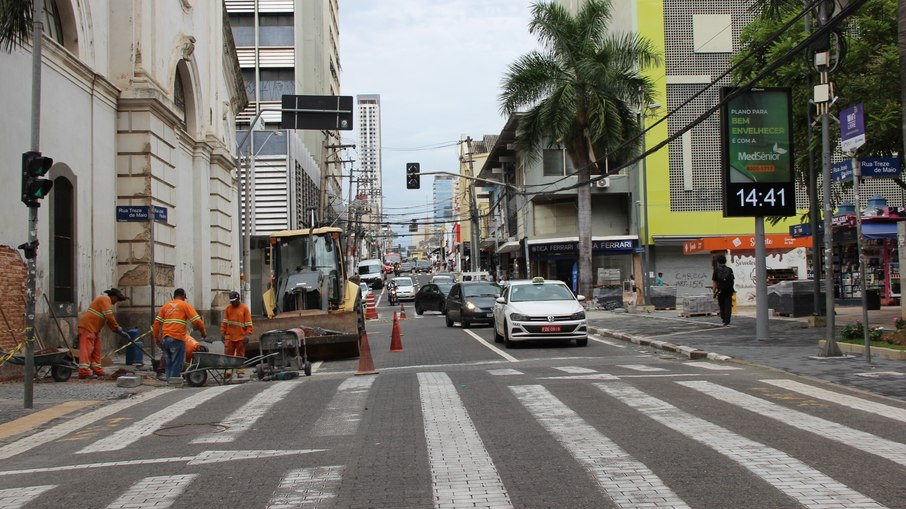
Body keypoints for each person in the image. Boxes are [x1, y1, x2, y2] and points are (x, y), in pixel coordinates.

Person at [76, 288, 131, 379]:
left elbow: (109, 321)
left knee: (96, 350)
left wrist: (117, 330)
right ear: (113, 296)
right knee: (87, 350)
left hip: (95, 329)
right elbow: (109, 316)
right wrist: (117, 328)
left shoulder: (106, 302)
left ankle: (97, 369)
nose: (115, 302)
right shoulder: (105, 299)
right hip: (87, 327)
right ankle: (83, 372)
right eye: (116, 300)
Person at [153, 288, 207, 381]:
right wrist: (203, 333)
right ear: (182, 296)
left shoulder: (166, 306)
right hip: (178, 338)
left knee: (169, 362)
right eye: (184, 297)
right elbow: (197, 322)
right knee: (177, 362)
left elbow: (157, 323)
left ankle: (169, 381)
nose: (184, 299)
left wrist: (156, 338)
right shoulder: (184, 305)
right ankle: (174, 382)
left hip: (166, 339)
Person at [221, 291, 253, 378]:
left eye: (234, 301)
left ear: (238, 299)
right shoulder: (228, 309)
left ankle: (240, 372)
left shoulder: (244, 309)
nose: (233, 303)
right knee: (228, 354)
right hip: (229, 336)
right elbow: (225, 322)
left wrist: (247, 335)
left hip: (240, 337)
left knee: (240, 355)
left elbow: (249, 324)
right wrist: (223, 333)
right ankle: (228, 372)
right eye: (231, 301)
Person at [712, 255, 735, 326]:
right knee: (728, 305)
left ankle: (723, 318)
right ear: (725, 261)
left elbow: (714, 281)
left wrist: (714, 290)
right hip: (729, 290)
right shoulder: (730, 269)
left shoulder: (716, 270)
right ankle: (727, 321)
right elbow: (732, 280)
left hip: (720, 290)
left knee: (722, 305)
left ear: (718, 262)